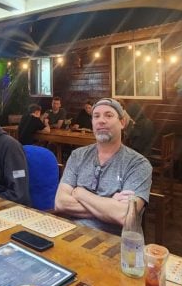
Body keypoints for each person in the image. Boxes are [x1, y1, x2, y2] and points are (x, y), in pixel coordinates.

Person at [54, 98, 152, 235]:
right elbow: (60, 203)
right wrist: (109, 205)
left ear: (122, 122)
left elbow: (125, 216)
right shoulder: (77, 156)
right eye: (96, 116)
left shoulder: (138, 164)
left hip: (115, 245)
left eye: (109, 115)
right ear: (92, 123)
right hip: (71, 235)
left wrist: (80, 193)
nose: (101, 120)